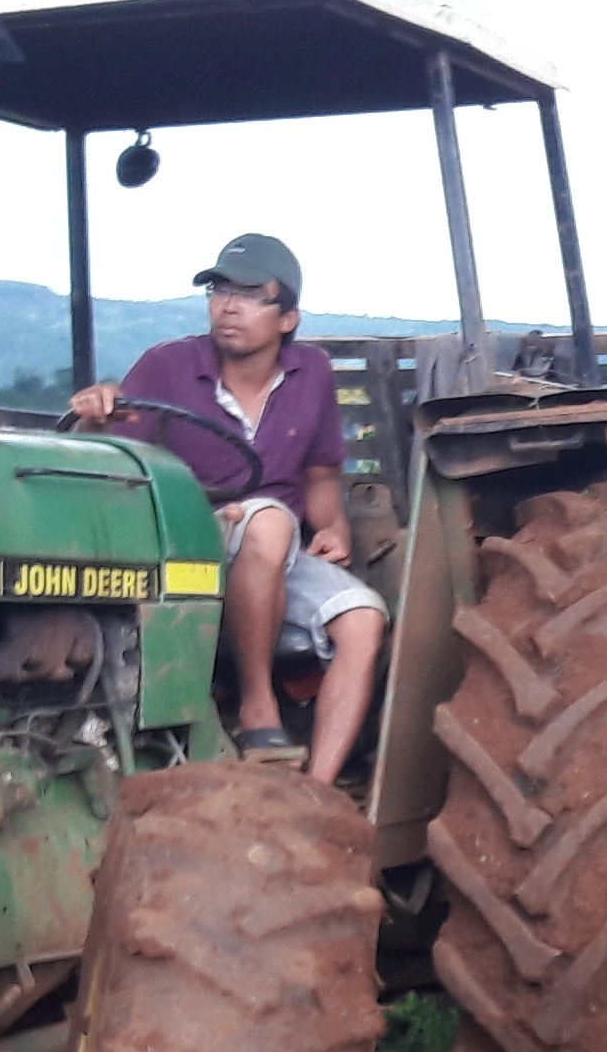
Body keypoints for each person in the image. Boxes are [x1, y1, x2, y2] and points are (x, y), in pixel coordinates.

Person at [69, 233, 384, 784]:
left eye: (248, 294)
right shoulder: (168, 365)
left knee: (363, 617)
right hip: (192, 537)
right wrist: (98, 413)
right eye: (218, 290)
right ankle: (257, 709)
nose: (227, 305)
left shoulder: (312, 374)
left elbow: (321, 472)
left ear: (287, 317)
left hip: (277, 549)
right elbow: (109, 451)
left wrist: (333, 527)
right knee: (264, 519)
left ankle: (318, 790)